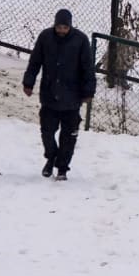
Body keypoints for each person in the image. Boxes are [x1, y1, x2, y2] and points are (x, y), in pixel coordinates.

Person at [23, 9, 95, 180]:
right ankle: (51, 157)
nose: (61, 30)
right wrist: (29, 81)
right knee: (47, 132)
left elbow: (88, 68)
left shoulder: (81, 40)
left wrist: (88, 90)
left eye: (65, 27)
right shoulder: (45, 37)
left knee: (69, 136)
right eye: (59, 27)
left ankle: (62, 167)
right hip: (49, 94)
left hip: (72, 96)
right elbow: (35, 62)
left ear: (70, 26)